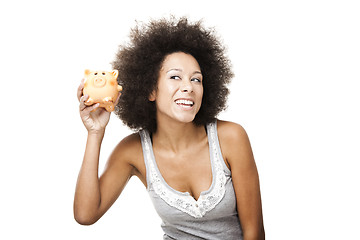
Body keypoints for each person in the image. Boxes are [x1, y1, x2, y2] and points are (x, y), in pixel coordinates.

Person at [74, 16, 265, 240]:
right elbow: (85, 214)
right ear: (150, 90)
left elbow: (254, 232)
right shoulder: (133, 151)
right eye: (175, 77)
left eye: (196, 80)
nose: (188, 87)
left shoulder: (231, 137)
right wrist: (95, 133)